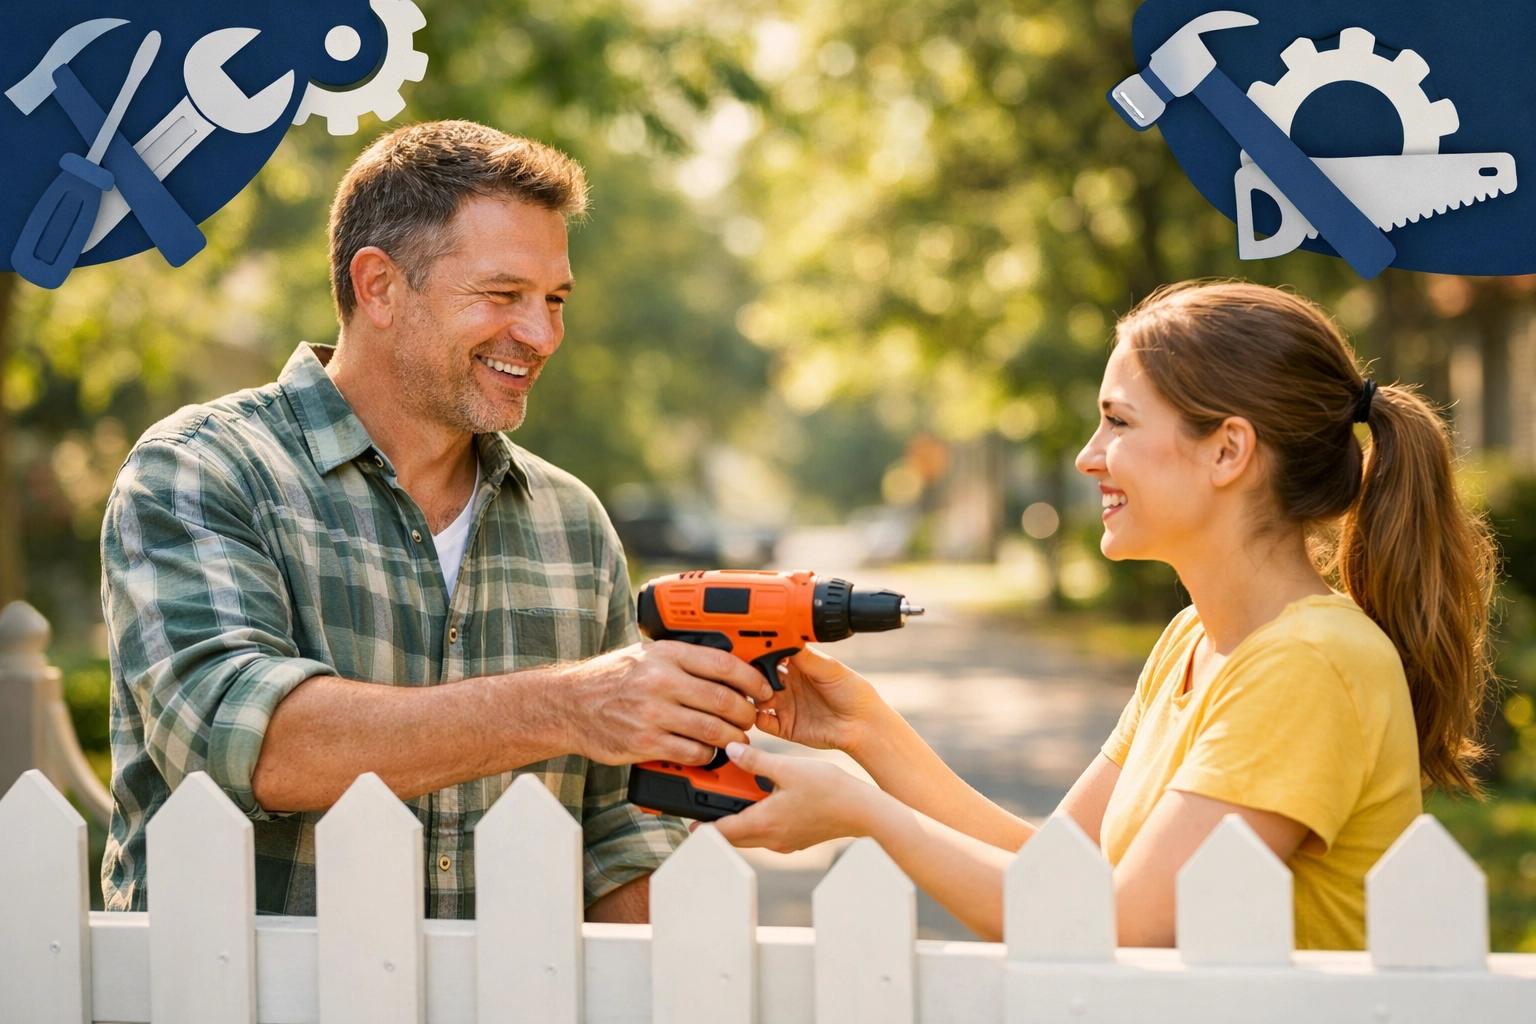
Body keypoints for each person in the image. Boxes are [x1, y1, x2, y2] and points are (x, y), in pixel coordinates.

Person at [99, 121, 772, 919]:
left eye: (554, 300)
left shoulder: (573, 524)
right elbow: (244, 742)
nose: (542, 334)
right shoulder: (202, 469)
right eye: (502, 295)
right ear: (379, 285)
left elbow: (623, 834)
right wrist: (570, 704)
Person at [715, 281, 1495, 950]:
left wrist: (869, 816)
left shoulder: (1310, 662)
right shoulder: (1196, 640)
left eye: (1118, 422)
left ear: (1228, 452)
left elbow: (1114, 929)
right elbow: (1058, 867)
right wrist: (865, 731)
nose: (1089, 456)